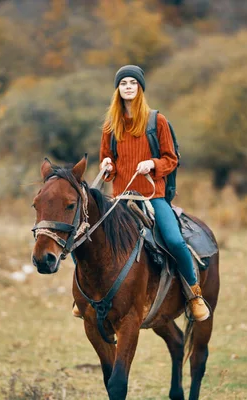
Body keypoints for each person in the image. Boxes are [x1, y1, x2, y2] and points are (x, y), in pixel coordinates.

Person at [72, 65, 210, 321]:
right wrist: (107, 166)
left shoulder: (157, 121)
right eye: (123, 83)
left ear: (140, 88)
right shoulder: (110, 125)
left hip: (151, 196)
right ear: (117, 89)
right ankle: (83, 297)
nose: (127, 87)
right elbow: (108, 161)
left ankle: (194, 294)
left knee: (175, 240)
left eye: (132, 83)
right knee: (82, 235)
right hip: (119, 200)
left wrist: (153, 164)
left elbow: (171, 159)